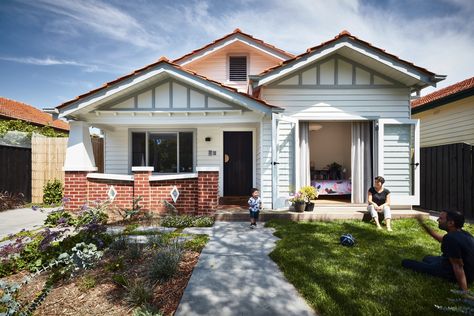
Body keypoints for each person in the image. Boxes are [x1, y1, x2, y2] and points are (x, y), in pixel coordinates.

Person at [402, 211, 474, 291]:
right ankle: (435, 264)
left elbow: (458, 266)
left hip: (451, 272)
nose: (437, 220)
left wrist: (464, 291)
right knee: (427, 258)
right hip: (469, 271)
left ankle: (434, 267)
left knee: (406, 262)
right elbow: (439, 238)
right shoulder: (464, 233)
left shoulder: (451, 239)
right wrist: (422, 224)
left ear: (451, 223)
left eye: (441, 218)